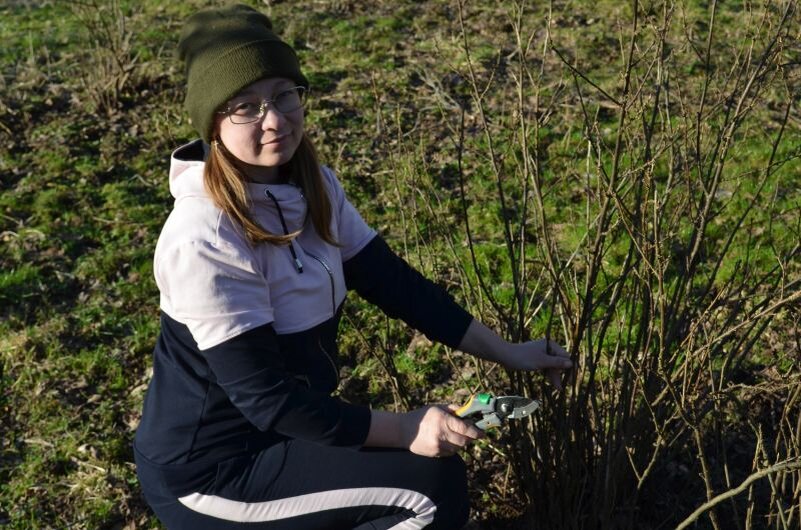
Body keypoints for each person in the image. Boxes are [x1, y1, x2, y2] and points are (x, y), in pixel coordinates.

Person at [133, 5, 572, 529]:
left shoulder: (312, 185)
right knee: (426, 493)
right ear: (212, 121)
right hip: (213, 474)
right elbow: (268, 401)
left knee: (431, 480)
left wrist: (508, 353)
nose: (274, 119)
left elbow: (395, 284)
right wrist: (407, 427)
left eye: (283, 95)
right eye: (245, 107)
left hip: (286, 434)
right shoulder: (203, 235)